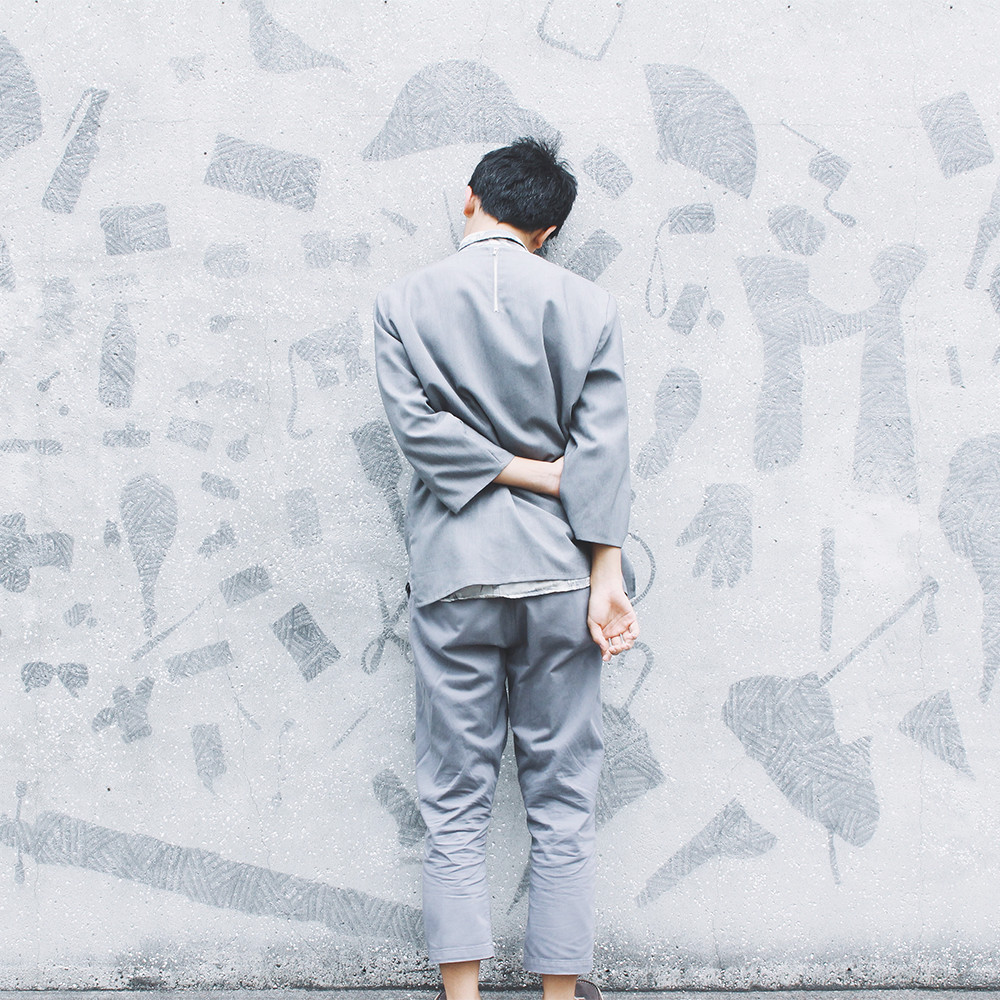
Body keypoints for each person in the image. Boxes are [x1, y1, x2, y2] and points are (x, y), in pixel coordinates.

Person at [373, 137, 637, 1000]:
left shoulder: (402, 304)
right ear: (548, 230)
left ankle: (463, 997)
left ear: (469, 199)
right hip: (562, 576)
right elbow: (604, 455)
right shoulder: (589, 306)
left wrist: (512, 469)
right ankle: (559, 998)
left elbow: (418, 435)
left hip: (453, 575)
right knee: (562, 800)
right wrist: (606, 577)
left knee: (454, 797)